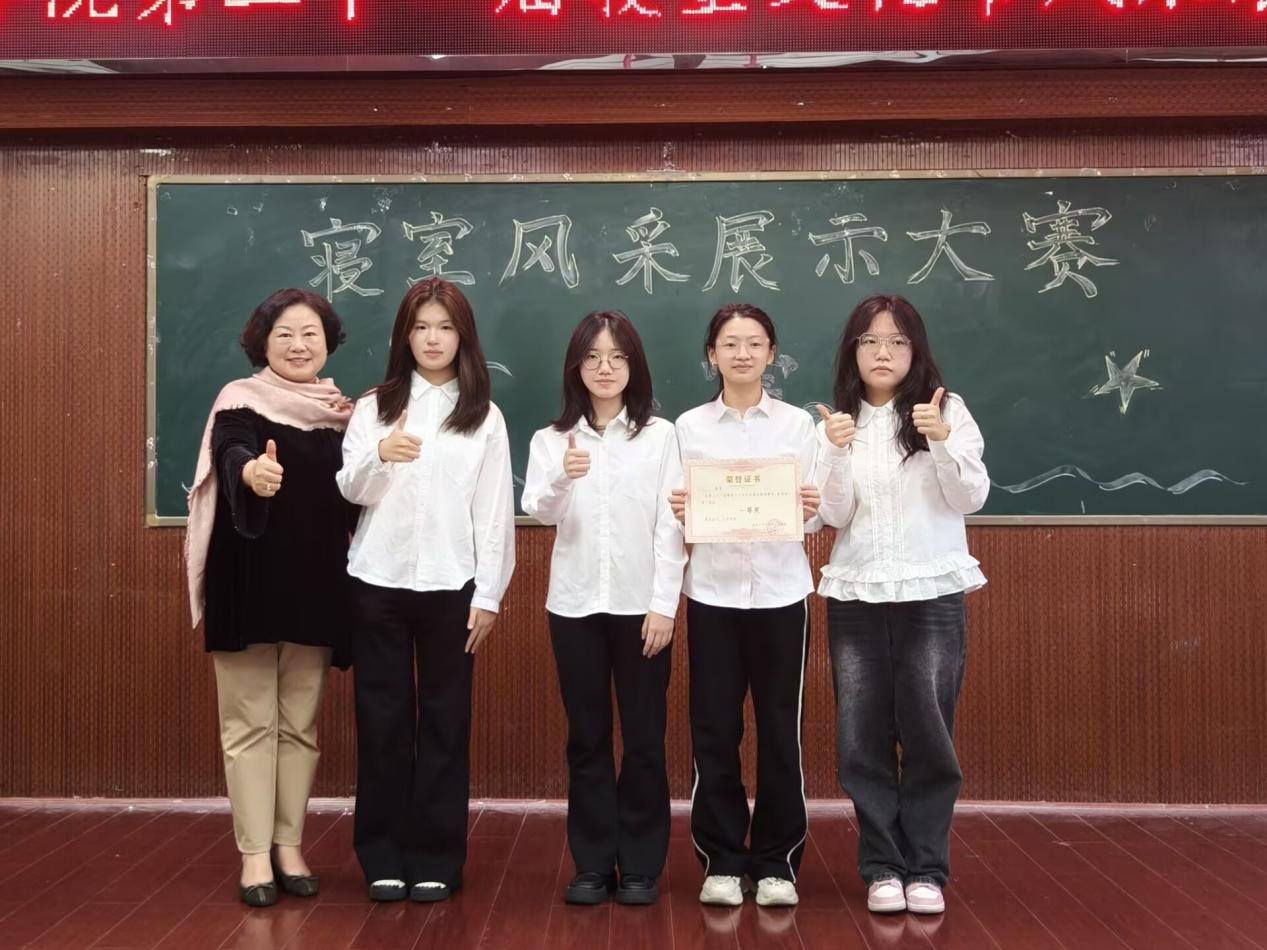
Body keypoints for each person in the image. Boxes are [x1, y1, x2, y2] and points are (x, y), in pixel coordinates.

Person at [336, 277, 515, 904]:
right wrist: (381, 454)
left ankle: (437, 856)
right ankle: (383, 855)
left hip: (451, 584)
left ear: (463, 336)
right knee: (381, 720)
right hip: (377, 580)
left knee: (445, 721)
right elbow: (350, 489)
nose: (432, 338)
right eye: (420, 327)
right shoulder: (374, 407)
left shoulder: (483, 415)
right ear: (403, 336)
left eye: (444, 327)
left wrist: (488, 595)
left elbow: (494, 513)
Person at [813, 292, 989, 916]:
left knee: (928, 732)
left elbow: (971, 497)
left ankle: (928, 869)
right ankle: (883, 867)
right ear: (852, 351)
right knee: (861, 736)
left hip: (930, 590)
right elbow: (831, 516)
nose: (882, 352)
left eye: (896, 341)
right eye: (870, 341)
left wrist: (940, 440)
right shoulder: (837, 422)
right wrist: (834, 451)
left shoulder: (948, 411)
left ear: (916, 350)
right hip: (858, 592)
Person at [185, 288, 355, 907]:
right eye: (284, 334)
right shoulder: (240, 400)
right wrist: (252, 472)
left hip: (317, 584)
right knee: (249, 723)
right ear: (262, 343)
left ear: (328, 342)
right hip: (249, 582)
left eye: (310, 333)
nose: (298, 345)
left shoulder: (341, 415)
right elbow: (230, 449)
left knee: (300, 725)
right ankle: (254, 854)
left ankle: (289, 844)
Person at [522, 311, 686, 907]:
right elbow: (540, 511)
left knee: (643, 738)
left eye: (617, 356)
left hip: (642, 608)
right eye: (592, 357)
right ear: (576, 367)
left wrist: (664, 605)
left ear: (634, 365)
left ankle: (640, 864)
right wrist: (563, 478)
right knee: (586, 738)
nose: (605, 367)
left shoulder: (661, 436)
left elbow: (672, 524)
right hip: (574, 607)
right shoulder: (551, 440)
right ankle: (592, 863)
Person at [670, 302, 821, 909]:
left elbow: (813, 516)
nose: (742, 353)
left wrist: (809, 506)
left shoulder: (798, 427)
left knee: (782, 732)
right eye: (730, 343)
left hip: (783, 594)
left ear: (771, 353)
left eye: (754, 343)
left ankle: (778, 863)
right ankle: (723, 862)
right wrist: (680, 508)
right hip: (712, 594)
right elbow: (674, 509)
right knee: (715, 730)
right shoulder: (688, 427)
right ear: (712, 354)